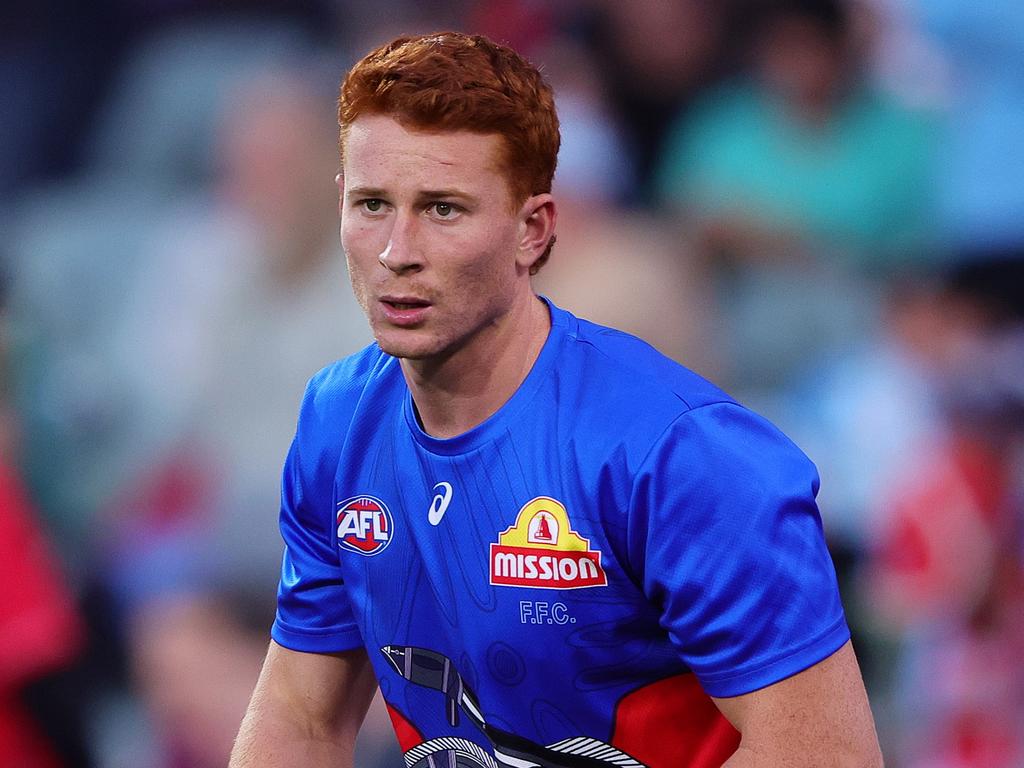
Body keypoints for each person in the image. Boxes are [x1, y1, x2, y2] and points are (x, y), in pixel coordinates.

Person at [229, 31, 882, 768]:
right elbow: (298, 719)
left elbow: (827, 757)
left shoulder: (680, 454)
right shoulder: (338, 421)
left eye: (443, 209)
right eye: (374, 204)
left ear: (532, 232)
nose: (396, 251)